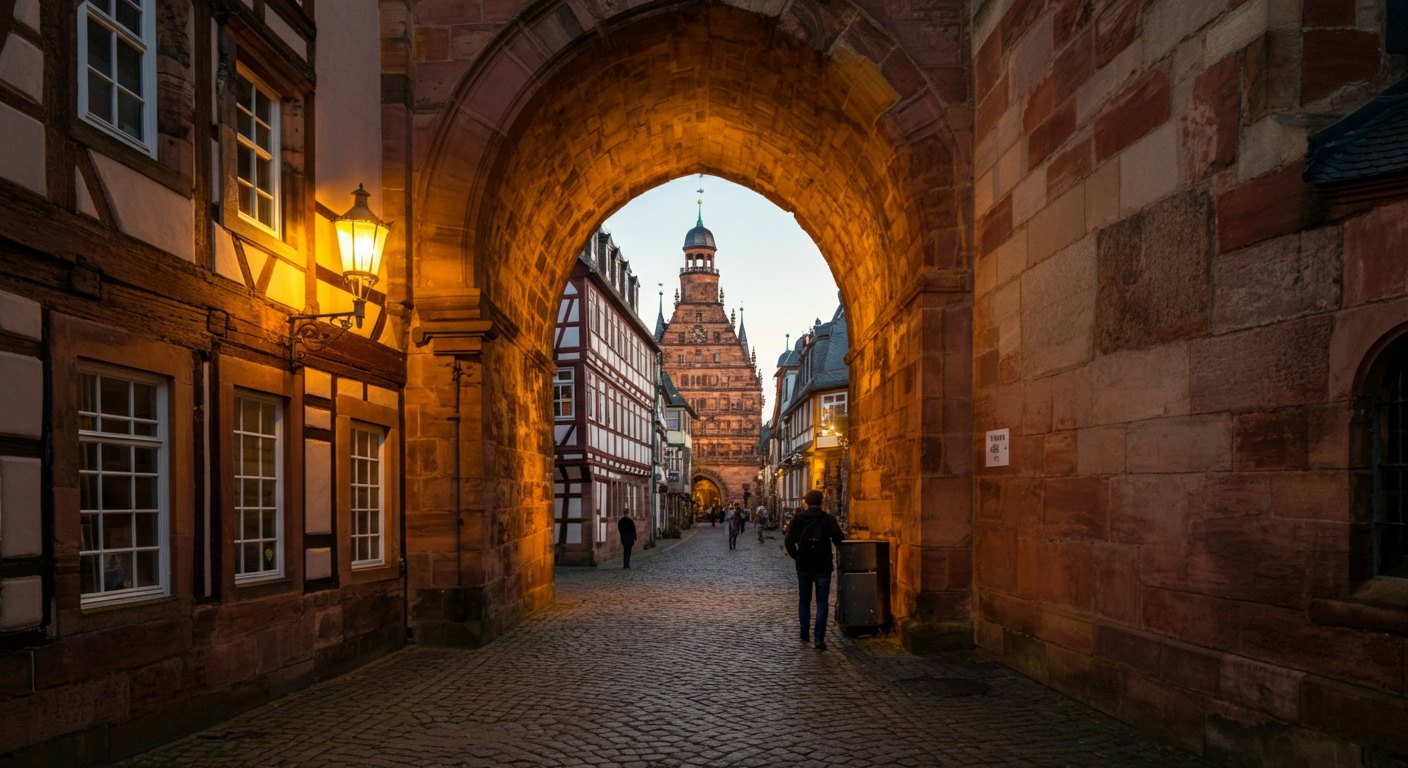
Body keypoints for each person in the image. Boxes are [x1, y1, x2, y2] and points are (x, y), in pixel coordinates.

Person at [784, 489, 845, 651]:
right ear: (821, 502)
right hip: (823, 565)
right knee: (822, 601)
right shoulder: (829, 519)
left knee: (804, 600)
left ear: (806, 502)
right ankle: (819, 638)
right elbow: (839, 539)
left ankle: (805, 633)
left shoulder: (799, 519)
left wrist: (797, 557)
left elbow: (788, 542)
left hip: (804, 564)